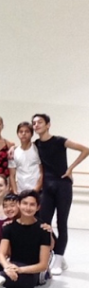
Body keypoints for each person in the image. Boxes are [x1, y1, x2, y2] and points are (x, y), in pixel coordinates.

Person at [32, 113, 89, 275]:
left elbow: (85, 150)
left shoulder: (59, 141)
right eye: (34, 123)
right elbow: (25, 148)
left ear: (48, 124)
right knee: (44, 223)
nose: (36, 125)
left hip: (63, 185)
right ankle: (53, 255)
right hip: (47, 187)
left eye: (40, 122)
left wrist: (70, 169)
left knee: (62, 222)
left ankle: (58, 258)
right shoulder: (36, 144)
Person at [8, 121, 43, 194]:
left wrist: (35, 190)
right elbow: (12, 175)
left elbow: (42, 172)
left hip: (37, 190)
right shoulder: (13, 152)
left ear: (31, 134)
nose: (23, 134)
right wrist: (15, 192)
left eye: (27, 131)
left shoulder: (37, 149)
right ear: (17, 134)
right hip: (21, 191)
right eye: (21, 131)